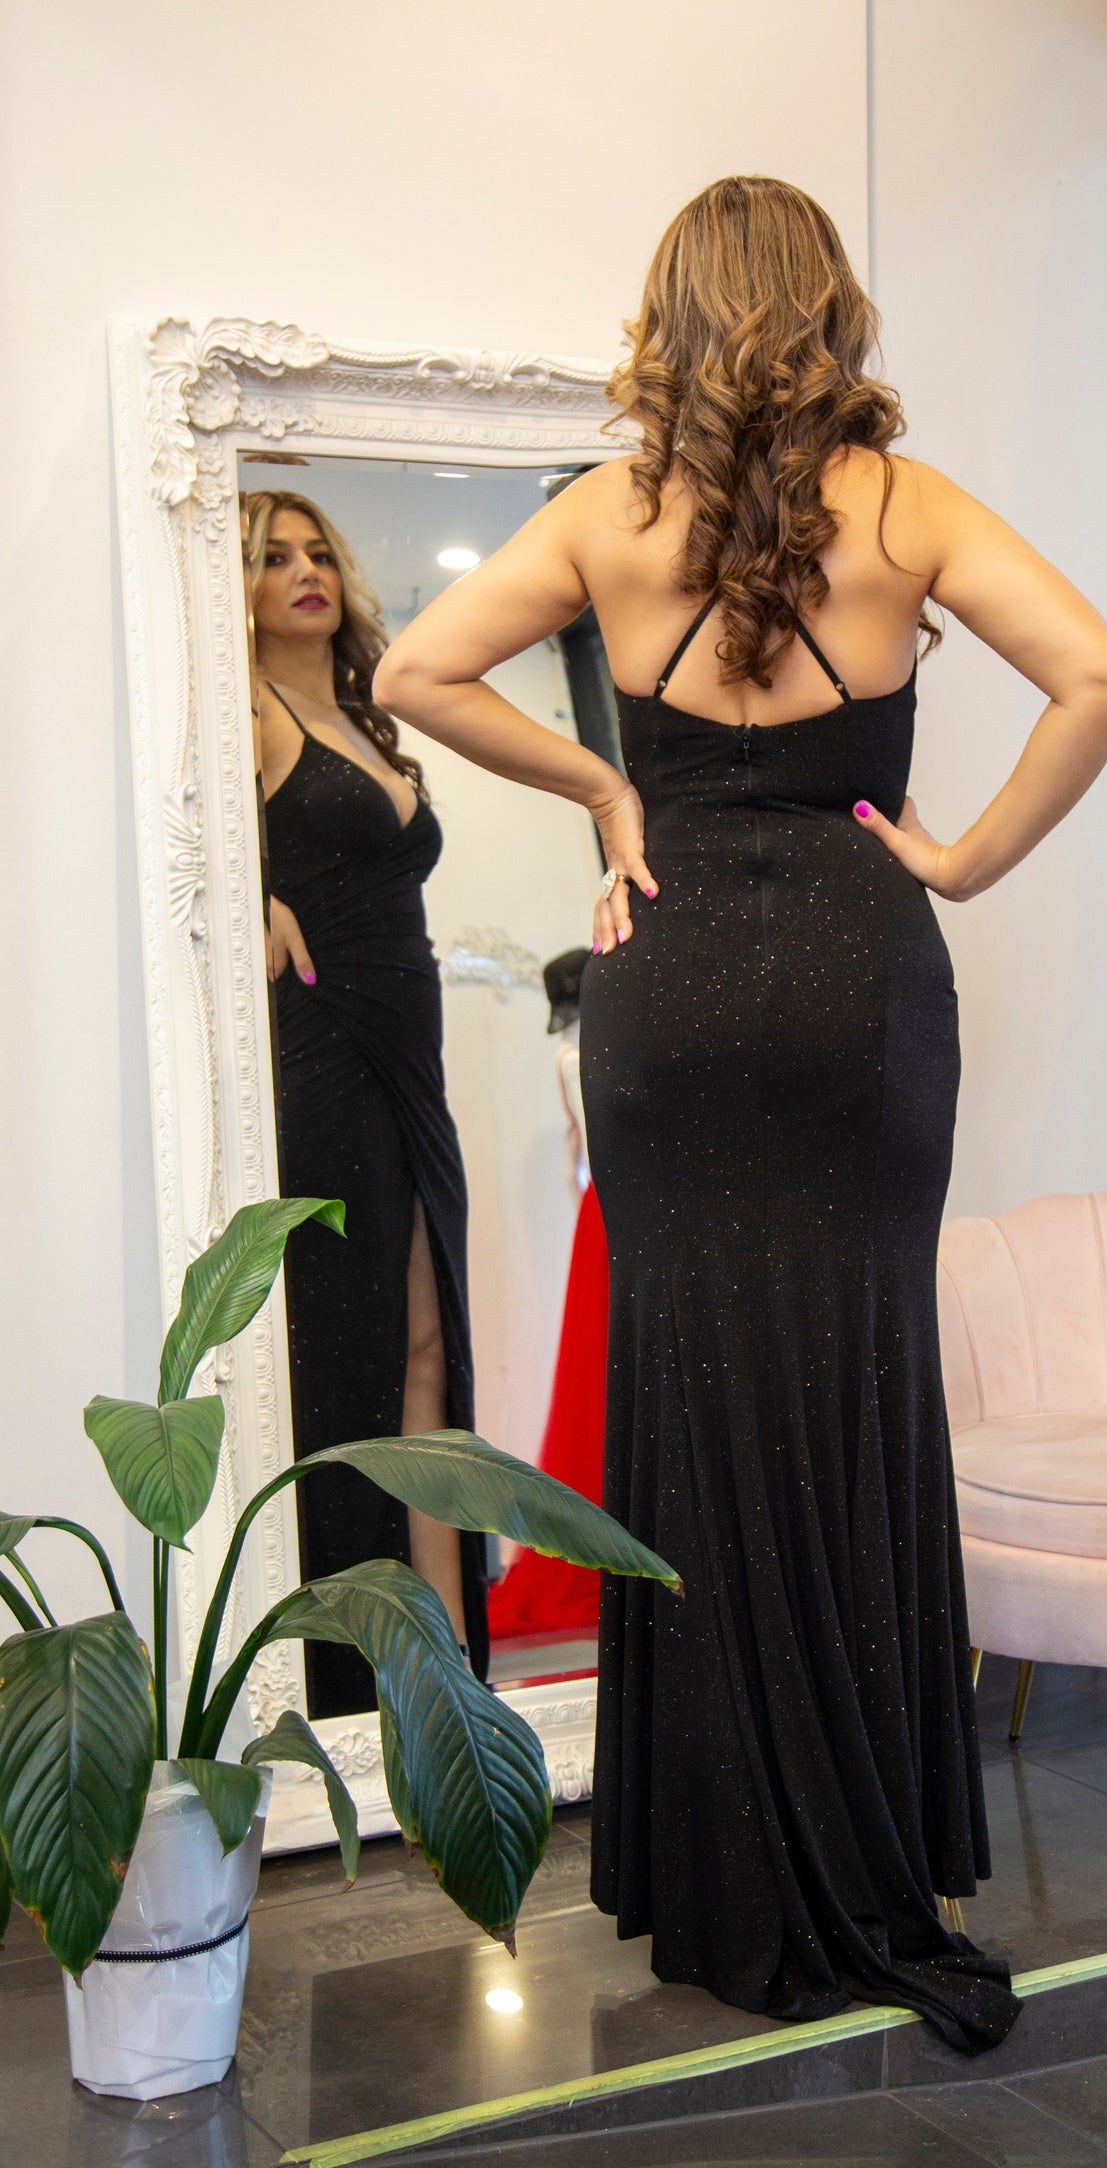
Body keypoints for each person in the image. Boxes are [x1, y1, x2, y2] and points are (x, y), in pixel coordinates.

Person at [374, 175, 1107, 2052]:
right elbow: (1101, 675)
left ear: (674, 312)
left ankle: (721, 1879)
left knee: (701, 1399)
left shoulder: (606, 514)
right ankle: (870, 1851)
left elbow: (411, 673)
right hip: (860, 988)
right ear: (830, 304)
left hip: (671, 984)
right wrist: (950, 857)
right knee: (860, 1376)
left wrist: (604, 797)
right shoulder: (903, 502)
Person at [247, 488, 490, 1717]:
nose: (303, 571)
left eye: (314, 550)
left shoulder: (365, 710)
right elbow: (176, 829)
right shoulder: (238, 705)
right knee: (343, 1358)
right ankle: (354, 1688)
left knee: (428, 1346)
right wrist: (252, 887)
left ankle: (446, 1680)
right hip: (326, 1053)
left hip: (414, 1055)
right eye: (269, 555)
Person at [488, 947, 610, 1643]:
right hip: (620, 1210)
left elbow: (573, 1153)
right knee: (605, 1373)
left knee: (592, 1374)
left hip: (595, 1215)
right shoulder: (582, 1057)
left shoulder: (561, 1061)